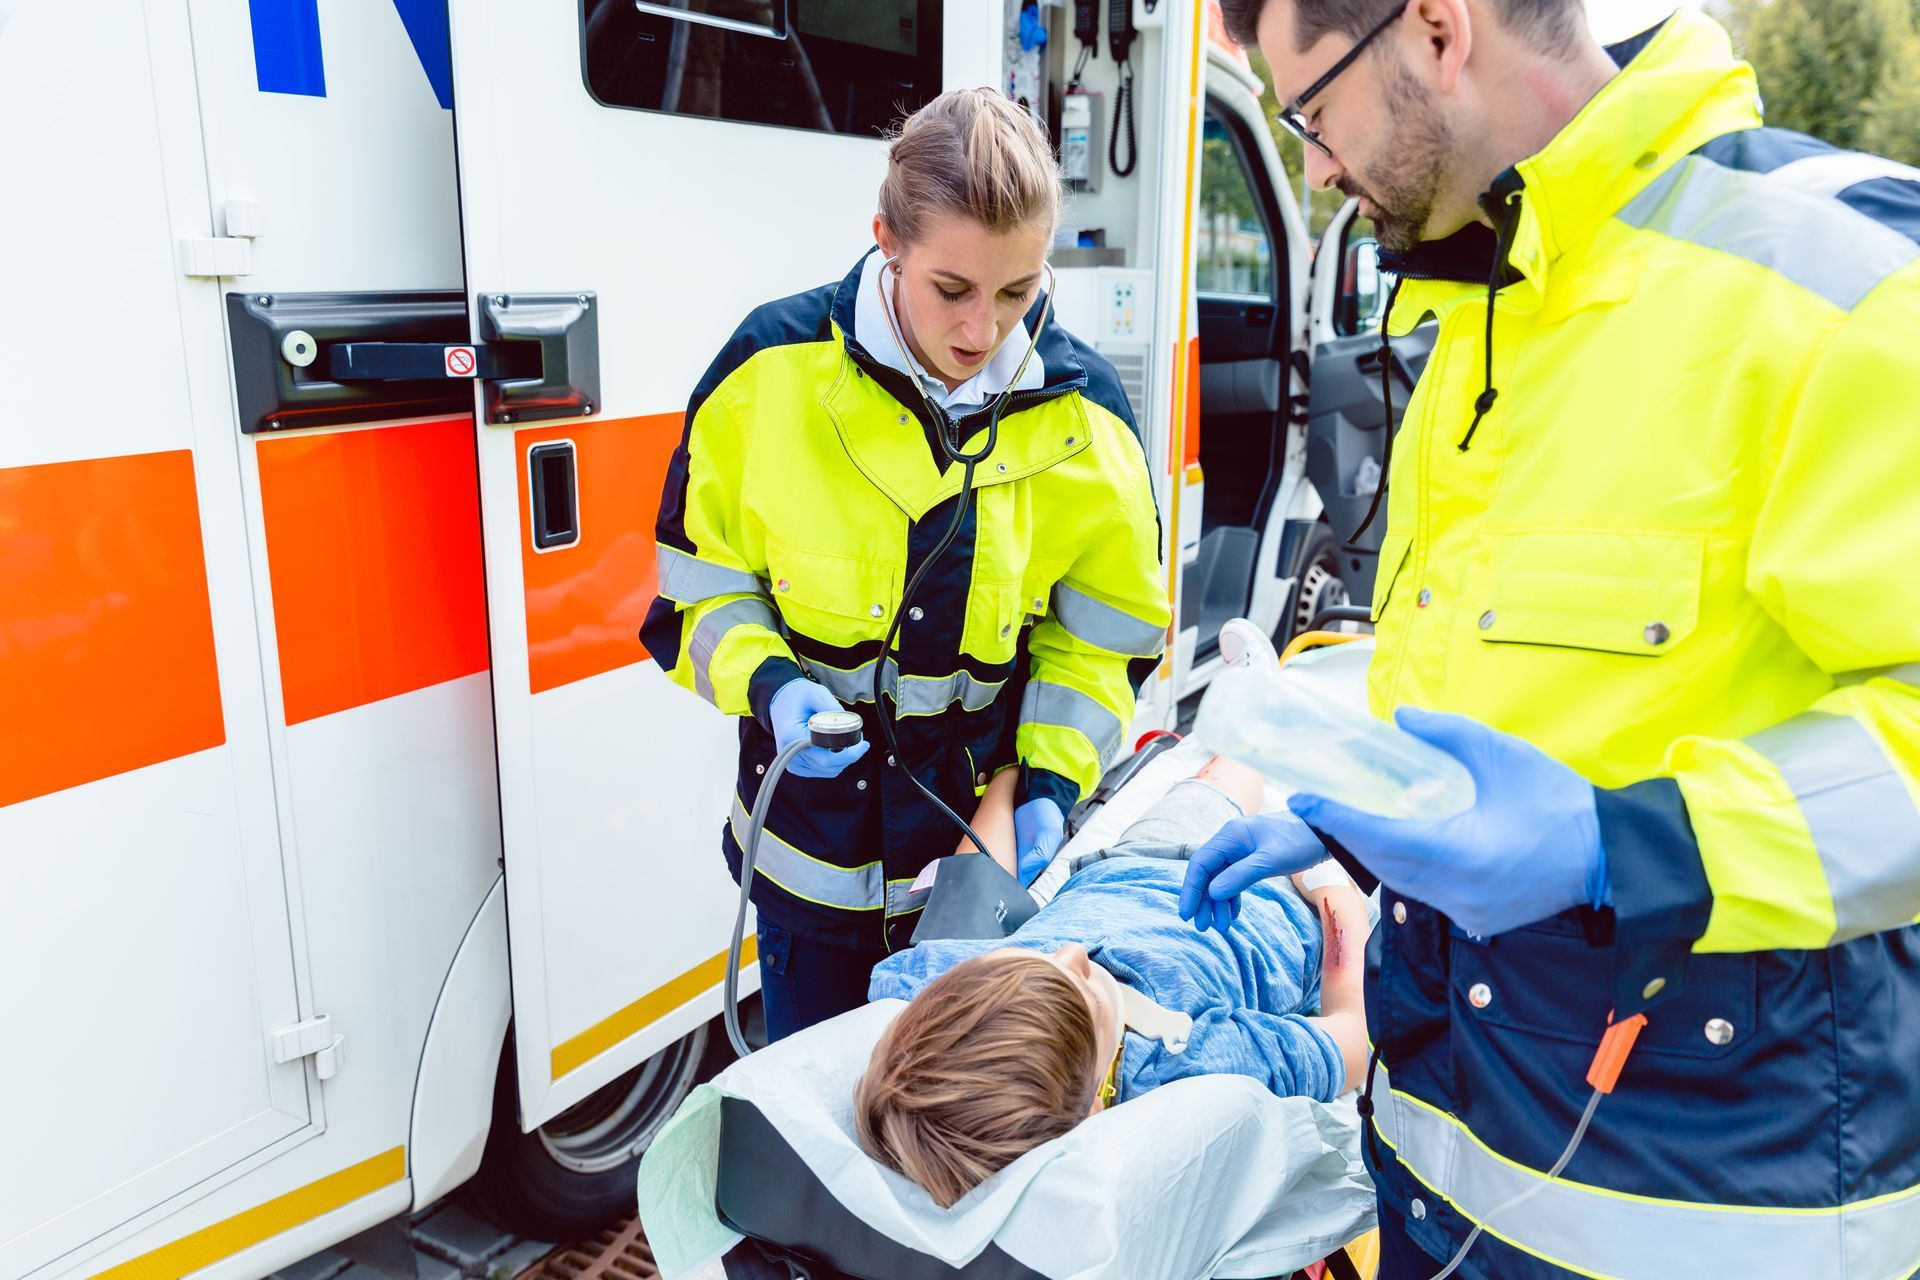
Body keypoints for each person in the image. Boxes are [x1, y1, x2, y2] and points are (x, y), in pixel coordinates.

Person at [1182, 1, 1920, 1276]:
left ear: (1435, 30)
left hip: (1709, 1198)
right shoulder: (1487, 303)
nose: (1310, 164)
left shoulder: (1841, 278)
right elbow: (1524, 677)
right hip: (1441, 1185)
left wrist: (1616, 846)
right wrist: (1370, 805)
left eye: (1310, 112)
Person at [641, 88, 1171, 1042]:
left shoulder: (1090, 420)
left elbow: (1104, 643)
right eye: (953, 290)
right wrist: (769, 686)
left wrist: (1049, 786)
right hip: (813, 881)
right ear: (886, 239)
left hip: (979, 892)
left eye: (1020, 293)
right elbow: (699, 587)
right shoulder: (766, 374)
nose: (984, 333)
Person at [857, 758, 1369, 1207]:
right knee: (1256, 780)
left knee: (1226, 768)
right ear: (1096, 1106)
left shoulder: (928, 991)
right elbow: (1352, 1038)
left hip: (1130, 863)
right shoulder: (1186, 1067)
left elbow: (974, 887)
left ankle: (1255, 707)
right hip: (1276, 908)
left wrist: (1008, 782)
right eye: (1089, 992)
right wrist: (1331, 883)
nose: (1074, 952)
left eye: (1043, 962)